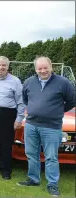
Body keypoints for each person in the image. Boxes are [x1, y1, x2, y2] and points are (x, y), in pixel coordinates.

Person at [18, 56, 76, 196]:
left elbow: (72, 100)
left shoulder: (63, 82)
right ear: (35, 69)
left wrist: (57, 111)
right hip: (31, 125)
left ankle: (52, 184)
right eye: (39, 68)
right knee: (31, 154)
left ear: (51, 67)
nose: (43, 71)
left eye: (45, 68)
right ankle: (33, 179)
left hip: (52, 126)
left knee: (51, 157)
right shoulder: (29, 82)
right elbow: (26, 99)